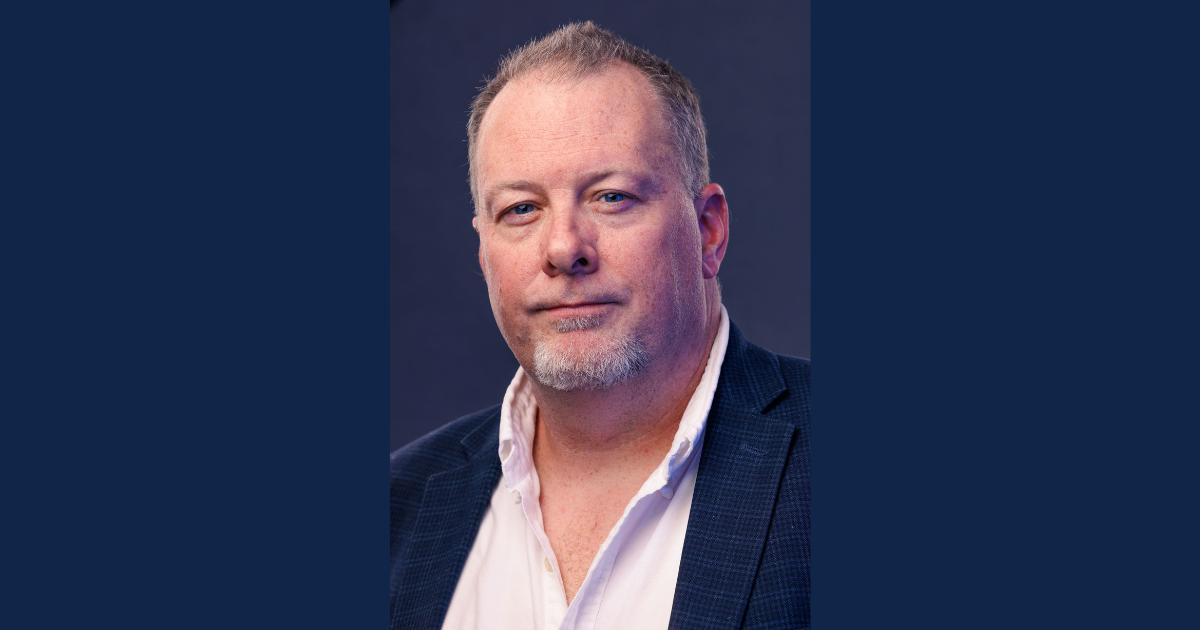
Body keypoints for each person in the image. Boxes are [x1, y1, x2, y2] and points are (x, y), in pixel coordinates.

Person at [390, 22, 809, 630]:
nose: (564, 248)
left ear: (708, 231)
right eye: (521, 209)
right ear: (484, 255)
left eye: (611, 197)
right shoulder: (396, 508)